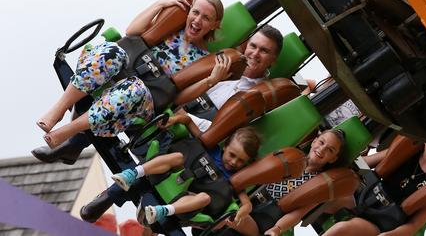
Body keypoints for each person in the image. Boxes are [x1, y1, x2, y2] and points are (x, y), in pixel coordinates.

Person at [78, 26, 283, 222]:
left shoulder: (259, 98)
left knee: (174, 155)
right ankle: (77, 142)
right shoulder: (225, 66)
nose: (255, 53)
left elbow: (226, 133)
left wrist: (185, 118)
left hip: (196, 138)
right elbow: (181, 96)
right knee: (130, 94)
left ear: (273, 60)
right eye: (253, 46)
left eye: (264, 51)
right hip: (174, 112)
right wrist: (210, 81)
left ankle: (110, 195)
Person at [37, 0, 224, 148]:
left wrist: (210, 81)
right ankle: (59, 109)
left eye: (206, 18)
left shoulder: (203, 59)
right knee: (113, 50)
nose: (197, 20)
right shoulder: (170, 26)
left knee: (134, 89)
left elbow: (179, 99)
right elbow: (131, 31)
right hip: (127, 67)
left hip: (147, 96)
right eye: (195, 12)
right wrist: (160, 4)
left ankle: (70, 130)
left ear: (215, 24)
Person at [107, 126, 260, 226]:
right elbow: (188, 123)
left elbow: (246, 203)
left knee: (205, 198)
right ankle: (132, 174)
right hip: (168, 175)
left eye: (241, 161)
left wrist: (244, 210)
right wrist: (176, 119)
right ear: (225, 145)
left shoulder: (237, 180)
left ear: (247, 163)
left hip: (186, 197)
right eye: (232, 155)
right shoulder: (210, 147)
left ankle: (164, 210)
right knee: (178, 156)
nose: (233, 162)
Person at [323, 127, 426, 236]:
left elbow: (414, 225)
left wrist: (392, 234)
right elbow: (363, 164)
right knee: (323, 195)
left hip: (381, 220)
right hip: (365, 195)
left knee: (341, 230)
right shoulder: (407, 152)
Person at [228, 129, 347, 236]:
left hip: (267, 218)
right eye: (321, 142)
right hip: (251, 200)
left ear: (333, 159)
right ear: (314, 141)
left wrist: (277, 229)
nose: (322, 149)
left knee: (230, 217)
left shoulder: (319, 184)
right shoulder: (289, 158)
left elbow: (298, 213)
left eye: (330, 150)